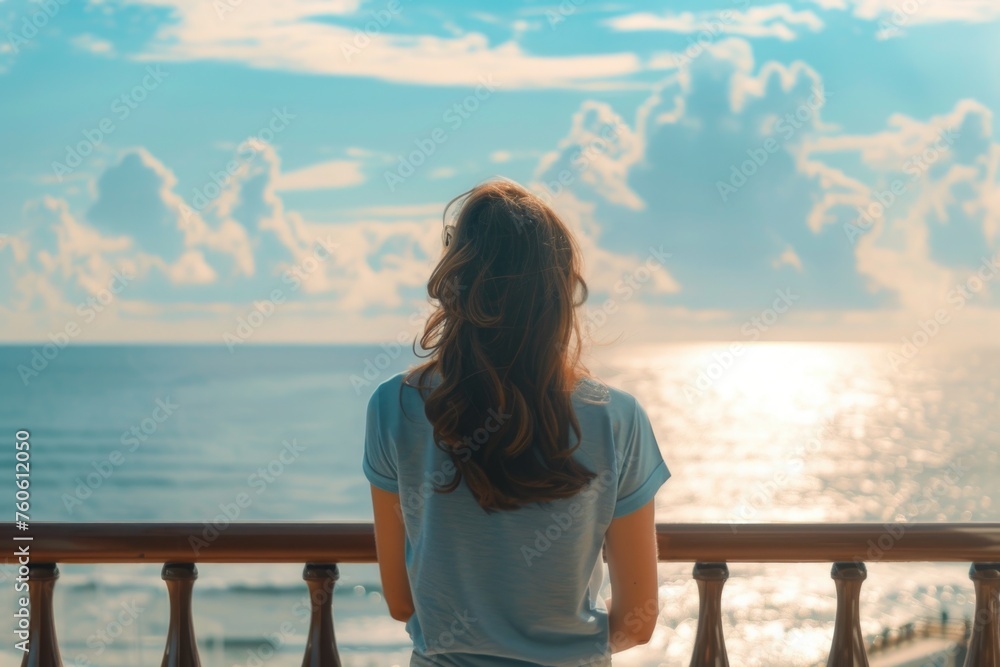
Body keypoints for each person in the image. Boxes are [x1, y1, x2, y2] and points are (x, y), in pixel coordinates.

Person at [363, 178, 670, 666]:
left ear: (455, 277)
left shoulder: (393, 407)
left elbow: (402, 601)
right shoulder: (616, 418)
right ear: (557, 290)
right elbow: (637, 620)